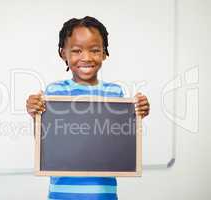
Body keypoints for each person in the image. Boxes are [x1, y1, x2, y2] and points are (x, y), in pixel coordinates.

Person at [26, 16, 150, 200]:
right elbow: (46, 142)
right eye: (76, 50)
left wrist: (138, 112)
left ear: (105, 53)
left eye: (94, 50)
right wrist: (34, 114)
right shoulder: (55, 92)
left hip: (103, 194)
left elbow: (120, 141)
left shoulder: (114, 92)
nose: (86, 57)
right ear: (63, 54)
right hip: (62, 194)